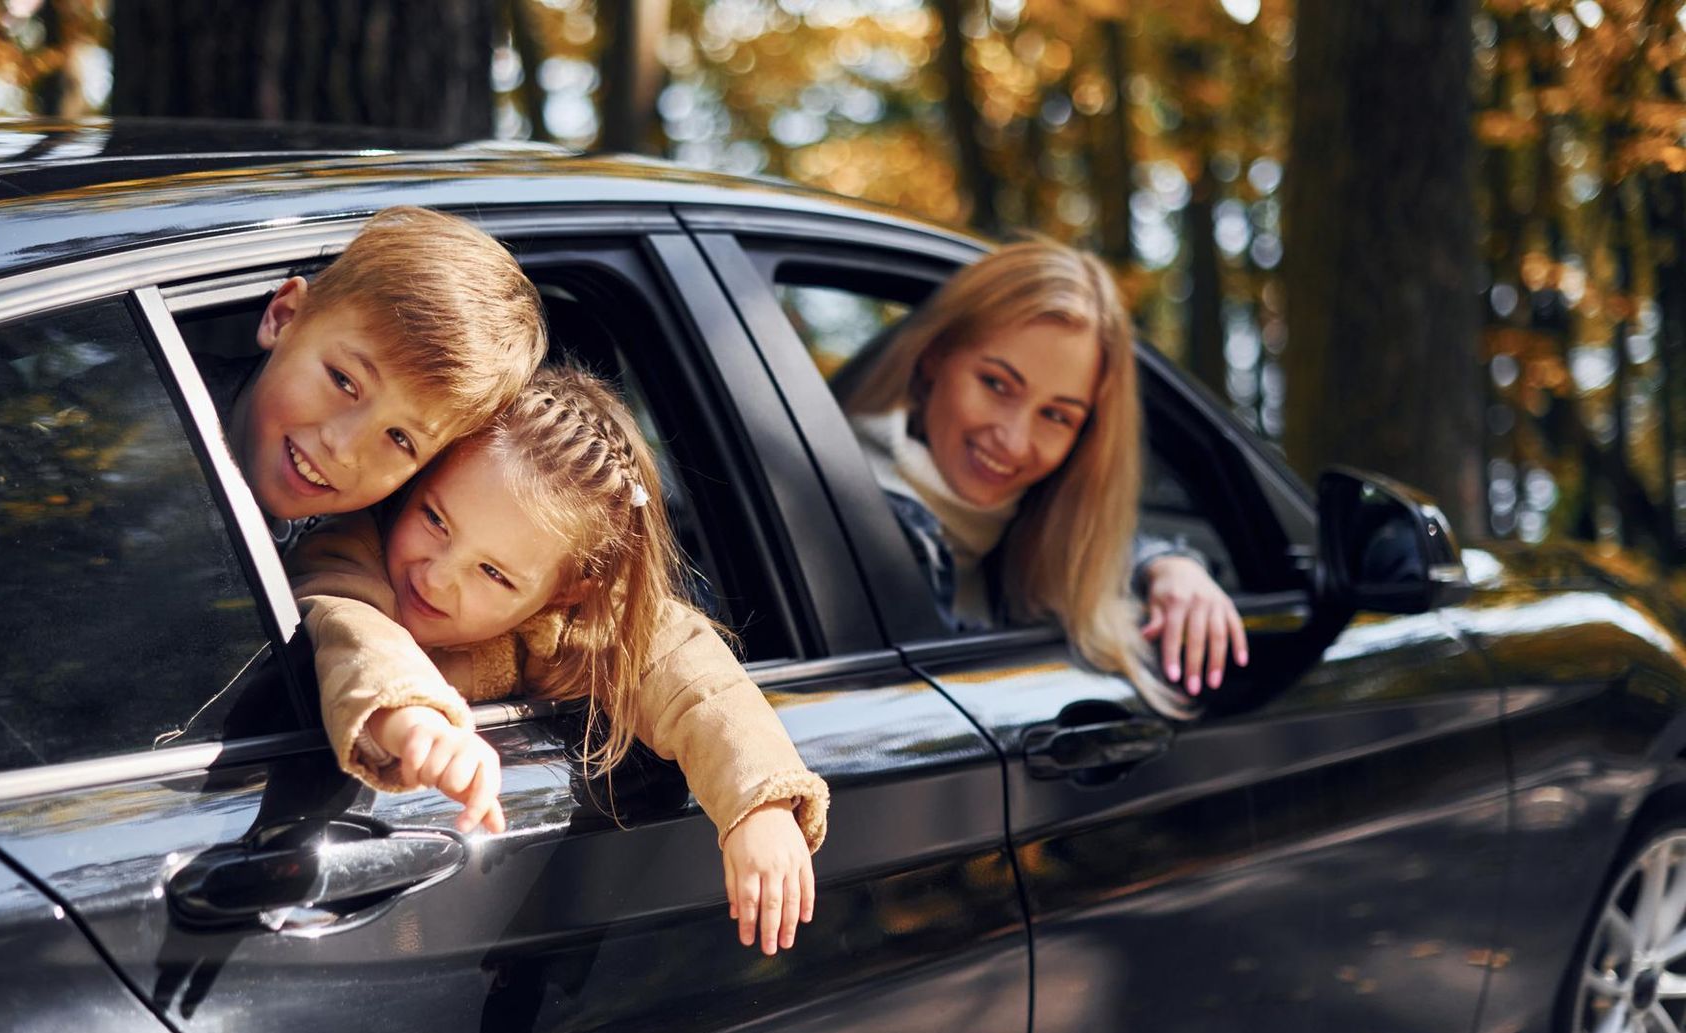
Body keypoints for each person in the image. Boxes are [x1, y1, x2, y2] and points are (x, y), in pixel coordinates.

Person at [288, 366, 828, 955]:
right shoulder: (351, 549)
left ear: (566, 592)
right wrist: (410, 717)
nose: (437, 575)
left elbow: (692, 677)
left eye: (493, 573)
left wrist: (762, 804)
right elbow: (352, 624)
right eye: (435, 520)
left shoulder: (563, 628)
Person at [837, 238, 1249, 708]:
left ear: (1083, 437)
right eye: (996, 384)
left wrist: (1169, 567)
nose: (1014, 441)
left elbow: (1083, 543)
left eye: (1056, 416)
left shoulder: (1013, 519)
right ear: (934, 359)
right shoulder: (863, 521)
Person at [202, 205, 549, 542]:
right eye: (344, 381)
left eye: (400, 438)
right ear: (285, 316)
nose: (343, 449)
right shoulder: (160, 418)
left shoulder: (353, 539)